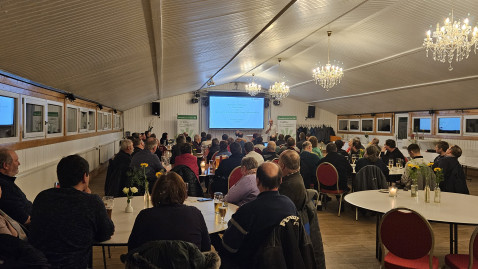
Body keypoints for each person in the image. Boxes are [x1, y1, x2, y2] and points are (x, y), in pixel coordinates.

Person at [30, 155, 114, 269]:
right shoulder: (92, 201)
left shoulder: (42, 197)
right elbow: (106, 232)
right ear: (85, 177)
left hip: (39, 264)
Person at [215, 162, 297, 268]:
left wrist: (213, 238)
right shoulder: (290, 205)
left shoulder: (248, 210)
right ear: (280, 180)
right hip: (282, 261)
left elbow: (228, 246)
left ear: (257, 181)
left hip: (250, 264)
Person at [128, 172, 211, 251]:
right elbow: (206, 248)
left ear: (156, 191)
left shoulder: (144, 216)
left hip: (151, 264)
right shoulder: (195, 214)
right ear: (183, 191)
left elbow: (132, 249)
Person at [0, 148, 32, 225]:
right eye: (16, 160)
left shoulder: (7, 181)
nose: (19, 163)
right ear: (6, 165)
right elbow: (25, 220)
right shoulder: (5, 187)